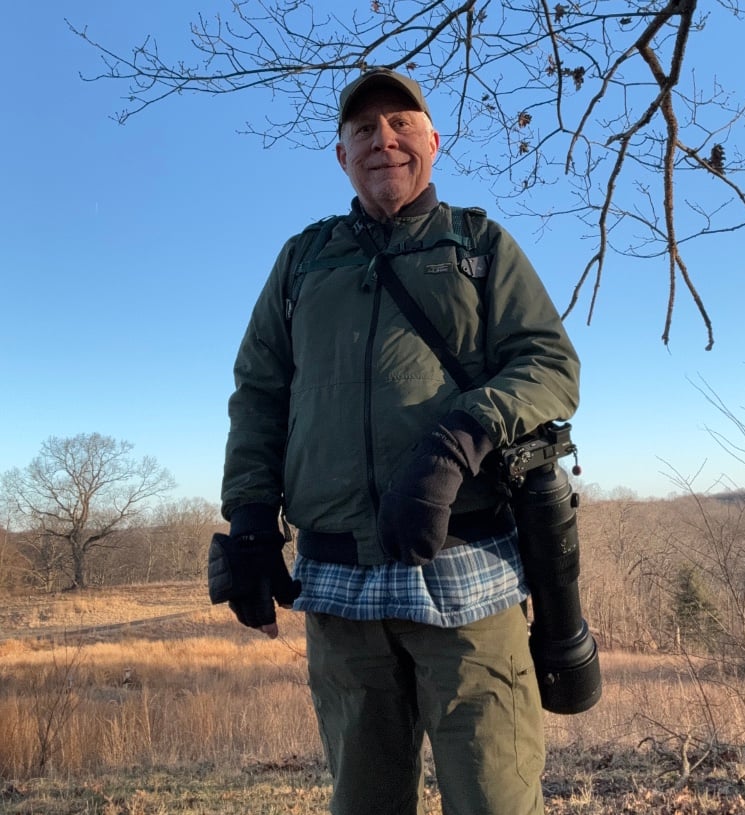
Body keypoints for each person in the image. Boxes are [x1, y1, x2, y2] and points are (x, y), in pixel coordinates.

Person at [212, 67, 580, 815]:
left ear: (433, 142)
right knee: (363, 802)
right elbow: (259, 392)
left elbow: (549, 364)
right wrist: (250, 518)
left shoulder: (479, 245)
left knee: (496, 801)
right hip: (340, 588)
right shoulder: (303, 260)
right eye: (363, 130)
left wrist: (457, 441)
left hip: (468, 574)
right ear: (341, 155)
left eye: (402, 123)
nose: (384, 139)